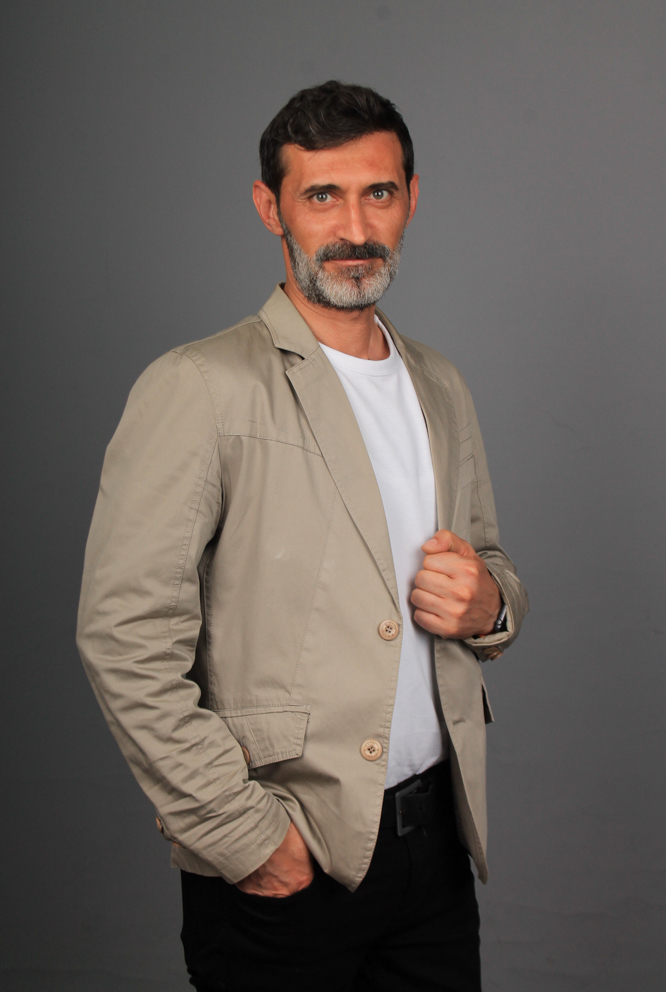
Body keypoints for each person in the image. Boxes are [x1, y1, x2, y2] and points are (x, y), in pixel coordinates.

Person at [77, 81, 528, 991]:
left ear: (411, 199)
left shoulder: (440, 384)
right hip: (288, 853)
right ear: (270, 206)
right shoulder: (199, 386)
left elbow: (489, 567)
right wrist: (243, 836)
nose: (354, 227)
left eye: (378, 193)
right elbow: (123, 636)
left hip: (437, 846)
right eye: (322, 195)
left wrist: (490, 607)